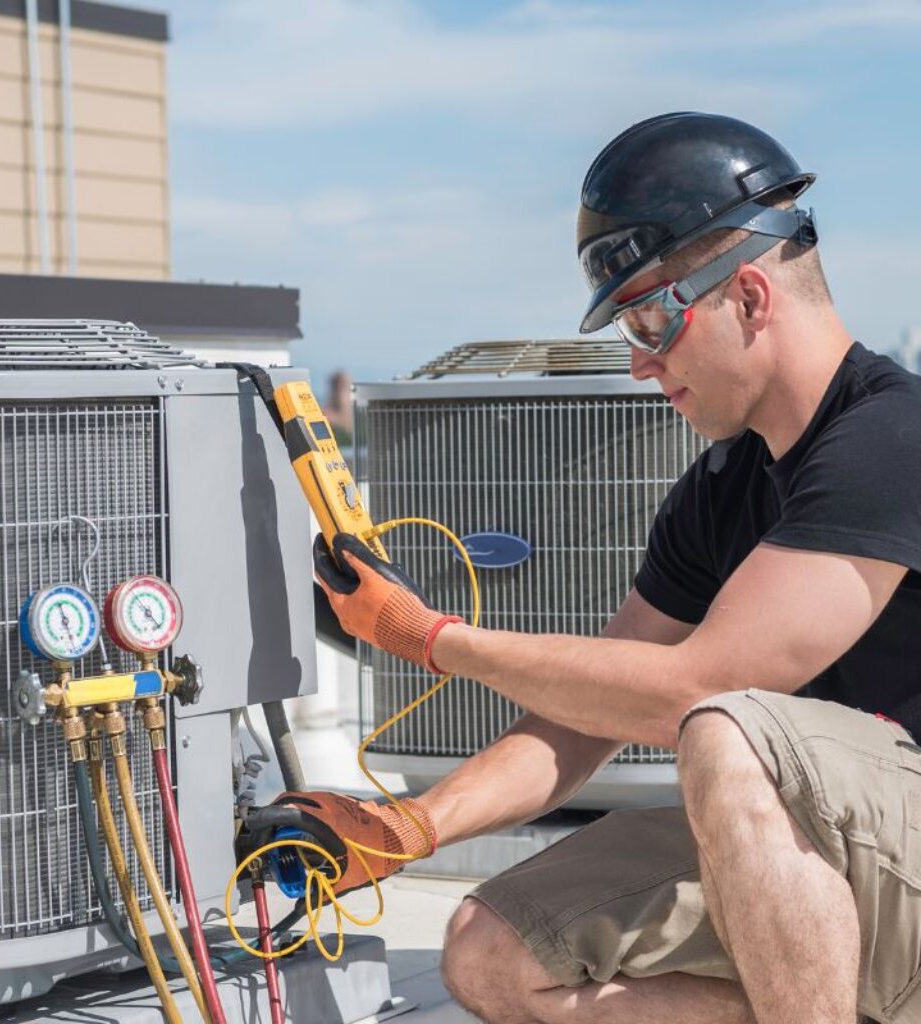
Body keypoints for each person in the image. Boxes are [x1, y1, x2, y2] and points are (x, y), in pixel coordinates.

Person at [290, 113, 921, 1024]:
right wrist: (411, 827)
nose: (637, 363)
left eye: (653, 315)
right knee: (492, 952)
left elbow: (698, 691)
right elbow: (582, 723)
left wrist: (429, 639)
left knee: (725, 732)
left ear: (748, 295)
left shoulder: (891, 440)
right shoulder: (720, 488)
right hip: (840, 862)